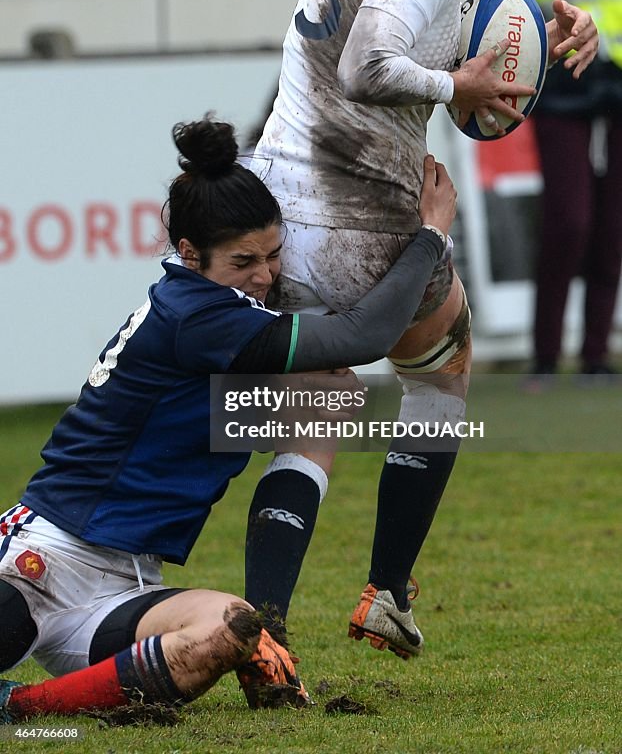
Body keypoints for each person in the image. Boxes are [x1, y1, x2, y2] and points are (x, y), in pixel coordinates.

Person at [244, 0, 599, 662]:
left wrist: (533, 48)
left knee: (313, 413)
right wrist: (462, 85)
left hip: (278, 223)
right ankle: (387, 592)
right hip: (361, 226)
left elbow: (397, 45)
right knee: (445, 370)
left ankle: (262, 631)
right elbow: (372, 65)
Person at [0, 112, 458, 723]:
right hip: (44, 559)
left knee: (231, 627)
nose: (265, 276)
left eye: (273, 255)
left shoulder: (211, 306)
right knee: (330, 387)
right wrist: (429, 236)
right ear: (190, 253)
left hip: (128, 585)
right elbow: (366, 333)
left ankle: (26, 706)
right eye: (244, 261)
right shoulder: (200, 316)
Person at [482, 0, 622, 389]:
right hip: (561, 79)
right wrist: (544, 28)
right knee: (568, 221)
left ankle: (594, 358)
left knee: (613, 225)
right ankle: (544, 360)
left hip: (619, 83)